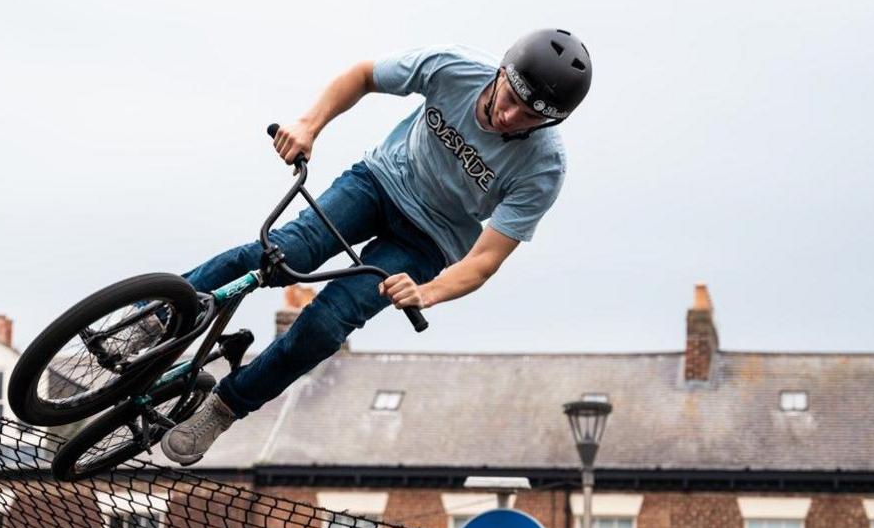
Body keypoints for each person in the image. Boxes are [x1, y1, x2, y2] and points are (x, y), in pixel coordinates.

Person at [153, 28, 592, 466]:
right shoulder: (453, 66)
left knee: (326, 326)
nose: (511, 117)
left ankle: (224, 407)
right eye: (510, 98)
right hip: (378, 182)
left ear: (551, 120)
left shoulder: (544, 167)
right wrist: (309, 125)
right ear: (500, 72)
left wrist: (427, 293)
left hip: (428, 241)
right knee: (281, 254)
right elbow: (363, 76)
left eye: (531, 116)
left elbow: (485, 259)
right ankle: (157, 316)